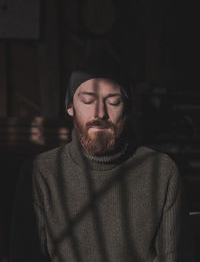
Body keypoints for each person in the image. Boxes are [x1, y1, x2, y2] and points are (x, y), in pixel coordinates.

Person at [10, 50, 193, 261]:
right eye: (88, 101)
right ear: (70, 107)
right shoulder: (40, 173)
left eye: (113, 102)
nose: (100, 113)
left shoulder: (161, 172)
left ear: (127, 109)